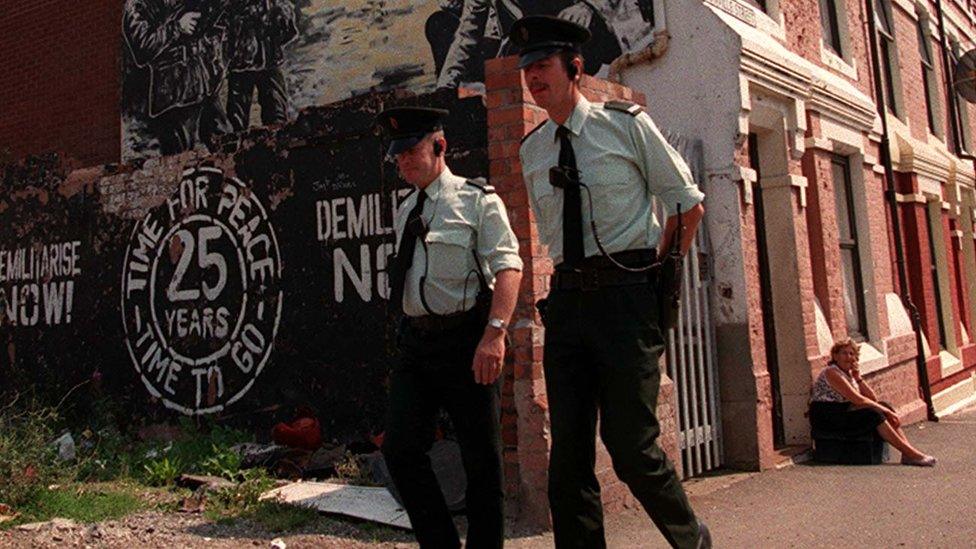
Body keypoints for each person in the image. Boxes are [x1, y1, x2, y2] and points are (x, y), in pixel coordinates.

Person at [515, 15, 710, 549]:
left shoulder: (625, 125)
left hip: (627, 300)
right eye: (527, 68)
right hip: (569, 303)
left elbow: (686, 205)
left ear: (574, 68)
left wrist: (658, 279)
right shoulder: (532, 151)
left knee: (632, 449)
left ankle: (693, 539)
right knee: (568, 459)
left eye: (544, 65)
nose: (534, 77)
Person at [376, 106, 523, 548]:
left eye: (411, 151)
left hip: (467, 342)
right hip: (417, 343)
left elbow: (509, 267)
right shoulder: (405, 210)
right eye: (397, 155)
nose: (402, 162)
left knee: (481, 460)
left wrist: (495, 333)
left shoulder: (478, 200)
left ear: (440, 146)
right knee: (399, 450)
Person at [123, 0, 230, 155]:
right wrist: (177, 27)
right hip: (175, 93)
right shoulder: (138, 4)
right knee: (181, 158)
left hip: (204, 84)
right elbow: (143, 48)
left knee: (227, 143)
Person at [810, 338, 937, 466]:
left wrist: (858, 378)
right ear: (836, 356)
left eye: (851, 353)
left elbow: (872, 399)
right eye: (844, 353)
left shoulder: (848, 374)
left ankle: (907, 454)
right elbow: (857, 399)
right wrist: (886, 411)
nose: (848, 357)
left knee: (883, 406)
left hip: (843, 411)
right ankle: (912, 454)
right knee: (874, 414)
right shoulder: (832, 372)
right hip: (827, 416)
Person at [224, 0, 298, 131]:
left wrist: (282, 13)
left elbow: (289, 30)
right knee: (237, 119)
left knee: (277, 115)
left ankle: (278, 144)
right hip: (241, 61)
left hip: (269, 58)